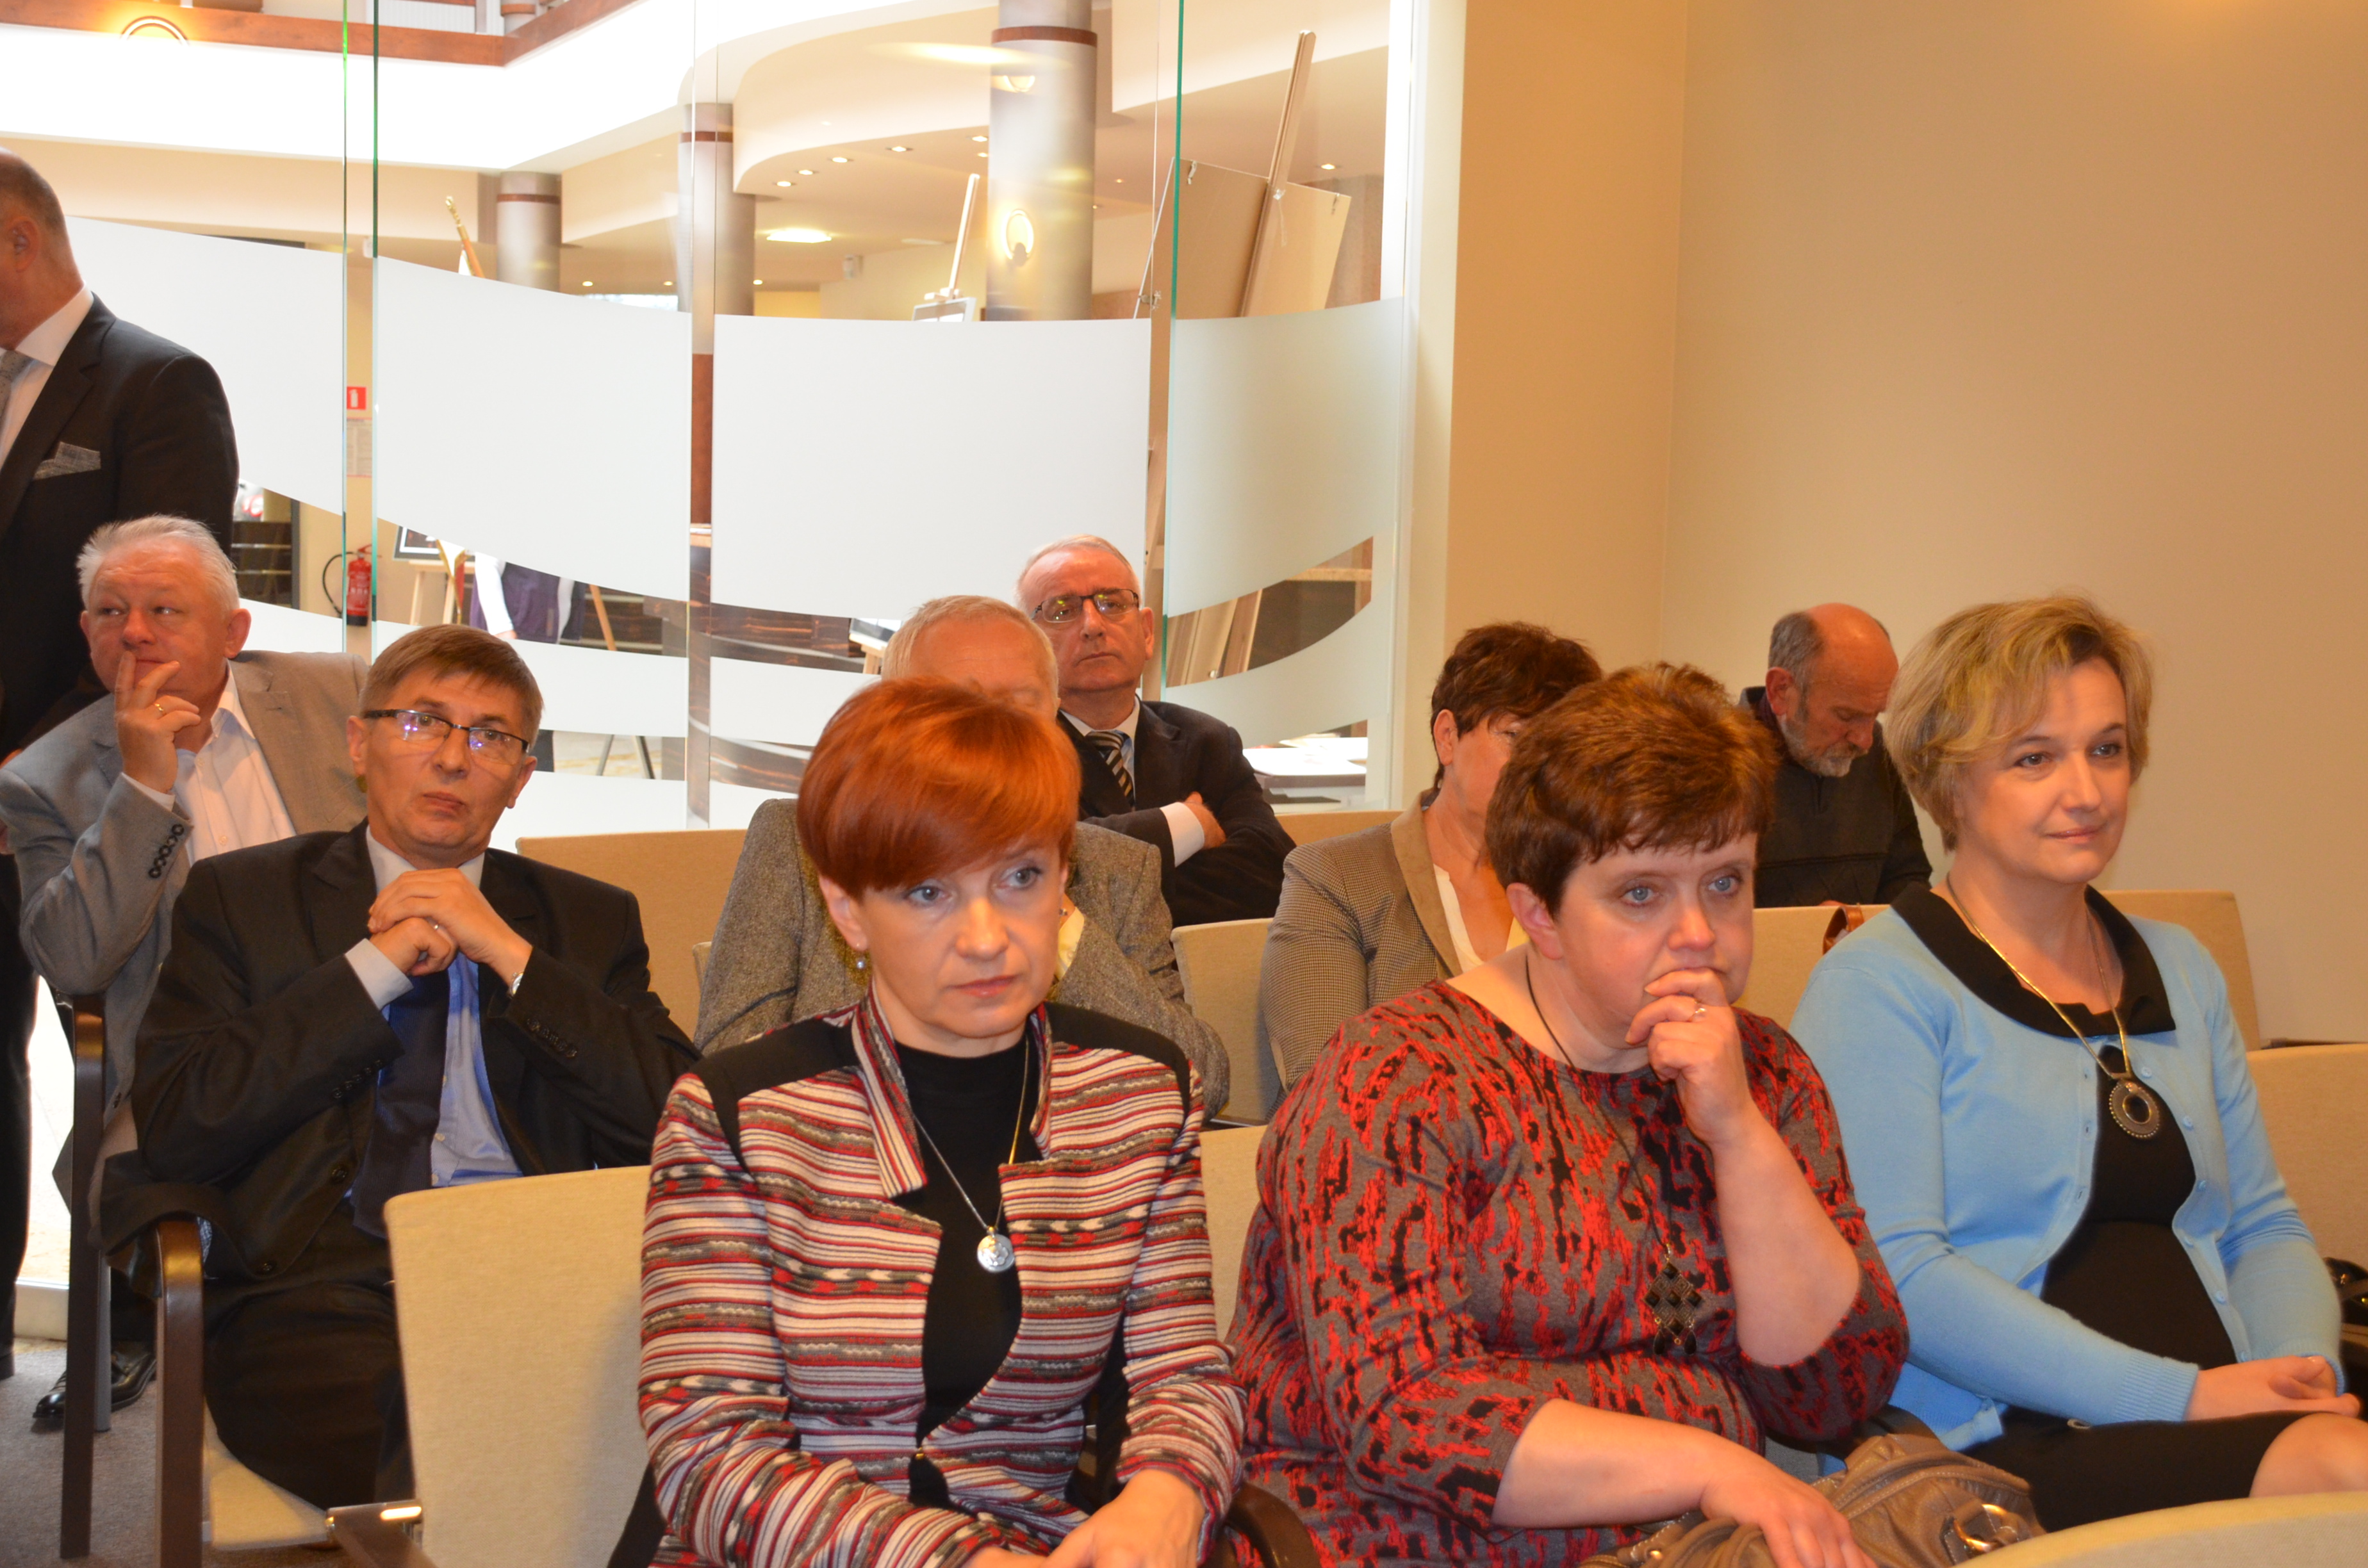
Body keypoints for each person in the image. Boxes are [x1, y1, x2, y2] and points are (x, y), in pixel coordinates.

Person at [1233, 664, 1907, 1568]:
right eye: (1642, 894)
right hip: (1403, 1541)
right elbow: (1407, 1416)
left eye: (1724, 883)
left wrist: (1740, 1134)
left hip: (1693, 1546)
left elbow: (1832, 1394)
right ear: (1540, 916)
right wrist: (1710, 1463)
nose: (1699, 933)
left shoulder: (1765, 1071)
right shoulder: (1398, 1079)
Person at [1792, 595, 2368, 1530]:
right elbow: (1903, 1276)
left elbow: (2261, 1226)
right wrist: (2186, 1398)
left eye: (2107, 749)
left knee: (2336, 1457)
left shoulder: (2181, 968)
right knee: (2344, 1473)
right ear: (1947, 783)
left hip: (2227, 1413)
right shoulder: (1879, 986)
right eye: (2035, 758)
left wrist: (2300, 1378)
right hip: (2006, 1442)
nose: (2087, 791)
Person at [641, 680, 1242, 1567]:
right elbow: (710, 1457)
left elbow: (1180, 1373)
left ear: (1065, 881)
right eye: (928, 892)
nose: (987, 936)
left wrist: (1171, 1491)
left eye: (1020, 877)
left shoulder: (1140, 1092)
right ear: (848, 909)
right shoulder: (740, 1115)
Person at [104, 623, 694, 1508]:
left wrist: (512, 958)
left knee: (669, 1439)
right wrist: (371, 971)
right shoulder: (243, 897)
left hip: (539, 1271)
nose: (454, 758)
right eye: (422, 723)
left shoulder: (586, 920)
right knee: (451, 1456)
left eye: (490, 737)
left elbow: (681, 1126)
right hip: (314, 1287)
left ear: (521, 780)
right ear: (358, 744)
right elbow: (184, 1123)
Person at [0, 516, 365, 1431]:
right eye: (109, 611)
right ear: (84, 633)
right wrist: (143, 790)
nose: (134, 632)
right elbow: (74, 961)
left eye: (165, 609)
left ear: (234, 631)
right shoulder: (45, 779)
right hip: (194, 1086)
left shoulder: (338, 694)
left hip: (372, 1038)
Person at [0, 147, 238, 1378]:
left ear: (17, 241)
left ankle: (135, 1330)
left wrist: (33, 762)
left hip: (78, 792)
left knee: (119, 1060)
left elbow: (161, 613)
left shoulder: (155, 383)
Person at [697, 595, 1230, 1110]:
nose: (990, 733)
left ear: (1055, 714)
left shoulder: (1119, 867)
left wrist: (1053, 914)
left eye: (1018, 706)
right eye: (960, 707)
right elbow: (729, 1056)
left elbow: (1201, 1080)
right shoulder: (801, 842)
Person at [1258, 621, 1600, 1087]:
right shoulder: (1334, 877)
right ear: (1447, 737)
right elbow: (1324, 1084)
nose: (1541, 768)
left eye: (1560, 748)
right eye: (1518, 738)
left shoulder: (1584, 880)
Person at [1017, 535, 1293, 929]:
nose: (1093, 626)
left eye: (1112, 604)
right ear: (1030, 648)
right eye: (1063, 611)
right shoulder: (1011, 753)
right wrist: (1186, 824)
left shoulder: (1208, 741)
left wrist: (1113, 887)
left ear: (1147, 632)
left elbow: (1269, 878)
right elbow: (1030, 877)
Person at [1742, 605, 1930, 908]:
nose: (1865, 741)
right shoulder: (1718, 765)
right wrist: (1803, 928)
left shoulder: (1878, 752)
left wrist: (1862, 927)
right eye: (1846, 716)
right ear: (1781, 691)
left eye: (1876, 715)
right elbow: (1702, 908)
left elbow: (1907, 880)